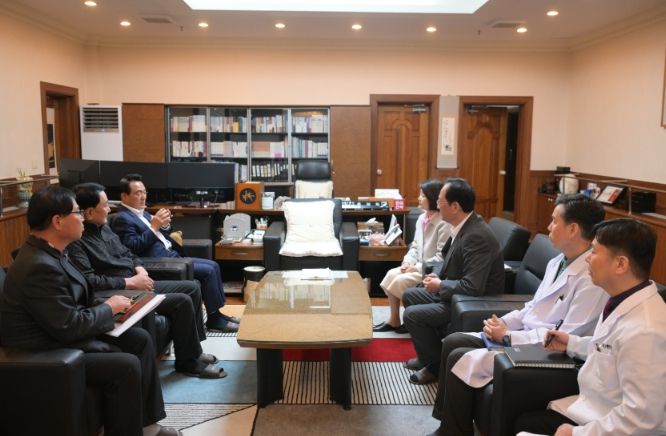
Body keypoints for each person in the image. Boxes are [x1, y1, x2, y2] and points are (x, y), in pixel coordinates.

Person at [0, 186, 179, 436]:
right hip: (47, 348)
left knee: (139, 339)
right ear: (58, 221)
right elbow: (68, 326)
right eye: (77, 213)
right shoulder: (38, 266)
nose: (82, 218)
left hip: (61, 334)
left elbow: (74, 301)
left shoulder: (53, 252)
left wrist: (112, 308)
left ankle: (147, 423)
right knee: (126, 364)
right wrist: (108, 308)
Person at [427, 193, 609, 436]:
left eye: (554, 221)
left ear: (573, 229)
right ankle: (448, 424)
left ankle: (452, 431)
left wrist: (509, 337)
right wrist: (503, 323)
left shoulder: (591, 278)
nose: (549, 227)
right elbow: (532, 307)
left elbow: (566, 336)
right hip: (525, 335)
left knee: (459, 355)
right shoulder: (558, 261)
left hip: (547, 352)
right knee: (453, 341)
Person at [515, 218, 666, 436]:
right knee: (523, 421)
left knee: (525, 426)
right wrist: (572, 343)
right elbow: (612, 350)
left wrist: (577, 434)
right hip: (596, 410)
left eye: (594, 251)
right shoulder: (622, 298)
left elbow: (641, 418)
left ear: (621, 264)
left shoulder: (646, 330)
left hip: (614, 425)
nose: (587, 258)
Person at [68, 182, 226, 378]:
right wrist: (130, 283)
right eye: (106, 205)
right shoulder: (77, 241)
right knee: (182, 300)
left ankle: (193, 350)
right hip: (120, 290)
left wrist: (140, 270)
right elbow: (90, 281)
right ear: (90, 212)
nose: (109, 210)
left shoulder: (105, 228)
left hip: (135, 280)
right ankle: (188, 362)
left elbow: (128, 253)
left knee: (192, 287)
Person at [402, 178, 505, 385]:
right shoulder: (462, 226)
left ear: (455, 206)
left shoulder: (476, 236)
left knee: (412, 315)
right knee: (410, 294)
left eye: (440, 201)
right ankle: (428, 356)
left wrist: (441, 285)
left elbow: (473, 287)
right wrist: (437, 277)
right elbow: (449, 263)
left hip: (471, 302)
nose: (437, 205)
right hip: (457, 293)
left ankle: (436, 367)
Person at [109, 173, 239, 332]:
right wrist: (154, 227)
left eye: (144, 192)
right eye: (138, 193)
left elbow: (161, 233)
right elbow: (132, 247)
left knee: (213, 265)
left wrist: (164, 225)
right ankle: (214, 320)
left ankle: (216, 314)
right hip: (159, 262)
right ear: (124, 196)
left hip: (170, 255)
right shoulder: (122, 218)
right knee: (209, 271)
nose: (143, 197)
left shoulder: (142, 213)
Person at [373, 179, 451, 333]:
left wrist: (416, 268)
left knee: (400, 281)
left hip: (431, 271)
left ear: (433, 198)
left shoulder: (444, 223)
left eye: (423, 195)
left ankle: (412, 319)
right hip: (417, 266)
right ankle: (394, 319)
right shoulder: (422, 218)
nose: (419, 198)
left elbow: (441, 258)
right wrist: (407, 262)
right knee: (391, 274)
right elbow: (414, 246)